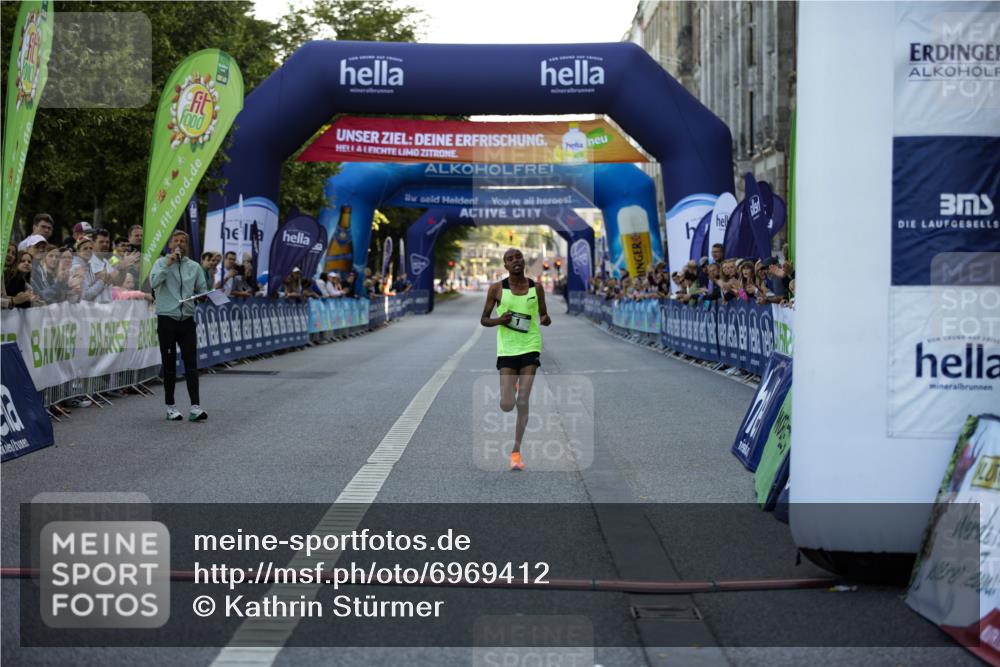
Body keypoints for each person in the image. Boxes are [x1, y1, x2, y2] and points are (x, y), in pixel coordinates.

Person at [480, 247, 551, 471]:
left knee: (522, 401)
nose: (515, 261)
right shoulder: (496, 289)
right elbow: (484, 319)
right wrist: (499, 320)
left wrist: (546, 318)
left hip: (530, 346)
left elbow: (543, 314)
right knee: (507, 404)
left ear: (523, 260)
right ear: (505, 266)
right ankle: (513, 387)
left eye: (518, 257)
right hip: (507, 350)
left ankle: (516, 452)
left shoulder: (536, 288)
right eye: (510, 259)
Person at [150, 230, 209, 422]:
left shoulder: (194, 266)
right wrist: (168, 264)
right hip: (167, 319)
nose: (179, 244)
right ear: (170, 245)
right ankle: (170, 407)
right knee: (169, 365)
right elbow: (154, 283)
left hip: (187, 320)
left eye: (183, 241)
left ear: (187, 246)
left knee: (191, 364)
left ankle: (195, 407)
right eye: (176, 240)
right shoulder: (160, 263)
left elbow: (202, 289)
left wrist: (205, 295)